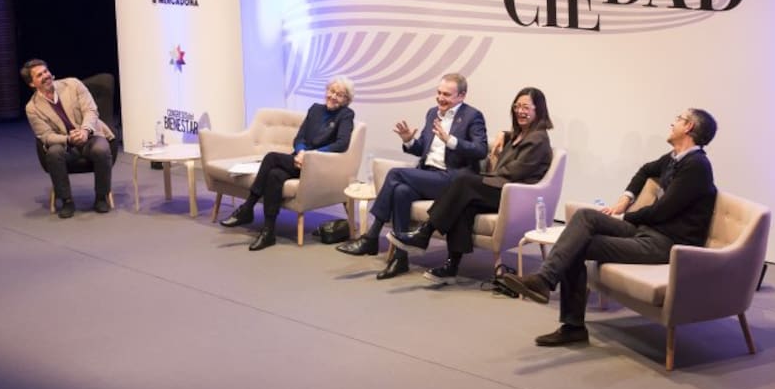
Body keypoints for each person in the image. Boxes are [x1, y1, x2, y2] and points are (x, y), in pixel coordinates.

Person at [503, 108, 718, 346]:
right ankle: (545, 282)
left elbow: (663, 211)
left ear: (688, 127)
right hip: (649, 232)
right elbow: (646, 170)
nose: (673, 122)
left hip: (666, 244)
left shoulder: (697, 166)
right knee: (586, 217)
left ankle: (569, 321)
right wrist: (625, 199)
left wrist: (627, 216)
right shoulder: (675, 158)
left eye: (678, 119)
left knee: (577, 246)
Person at [383, 87, 554, 283]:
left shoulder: (538, 138)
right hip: (501, 188)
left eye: (526, 107)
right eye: (517, 106)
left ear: (538, 110)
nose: (520, 111)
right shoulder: (521, 134)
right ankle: (451, 267)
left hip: (515, 195)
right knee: (464, 205)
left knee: (464, 180)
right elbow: (514, 145)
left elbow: (514, 173)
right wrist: (503, 134)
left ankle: (425, 232)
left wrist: (486, 173)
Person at [336, 73, 488, 258]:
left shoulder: (472, 116)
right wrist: (409, 140)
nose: (440, 98)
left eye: (446, 94)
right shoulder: (432, 113)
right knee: (401, 191)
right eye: (439, 92)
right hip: (428, 175)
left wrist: (450, 140)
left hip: (453, 180)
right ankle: (400, 258)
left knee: (395, 174)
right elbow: (422, 148)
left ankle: (371, 236)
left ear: (461, 96)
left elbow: (481, 150)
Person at [220, 77, 355, 250]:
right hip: (299, 159)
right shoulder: (315, 109)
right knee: (274, 175)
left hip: (318, 164)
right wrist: (301, 152)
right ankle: (268, 232)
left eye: (339, 95)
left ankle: (248, 207)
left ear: (346, 100)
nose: (333, 96)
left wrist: (311, 155)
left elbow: (342, 143)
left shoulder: (346, 115)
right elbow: (300, 137)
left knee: (271, 158)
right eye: (332, 91)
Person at [21, 59, 116, 219]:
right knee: (53, 153)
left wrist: (85, 130)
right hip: (65, 144)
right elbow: (46, 135)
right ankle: (67, 201)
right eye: (39, 75)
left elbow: (91, 110)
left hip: (90, 135)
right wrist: (68, 139)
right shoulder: (32, 108)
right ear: (32, 83)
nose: (45, 76)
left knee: (101, 148)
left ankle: (101, 197)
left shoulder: (73, 84)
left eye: (46, 71)